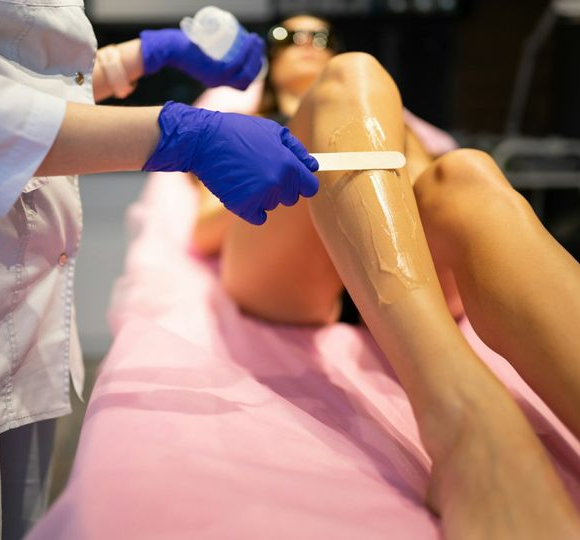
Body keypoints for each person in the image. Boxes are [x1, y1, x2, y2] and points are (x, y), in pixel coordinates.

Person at [0, 3, 321, 539]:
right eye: (294, 37)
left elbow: (20, 82)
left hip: (13, 317)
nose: (309, 48)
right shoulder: (239, 107)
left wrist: (142, 57)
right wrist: (178, 137)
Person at [191, 15, 580, 539]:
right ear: (270, 61)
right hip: (288, 272)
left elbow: (437, 195)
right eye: (288, 38)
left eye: (321, 37)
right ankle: (464, 420)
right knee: (351, 78)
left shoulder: (393, 114)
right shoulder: (235, 117)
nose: (307, 45)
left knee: (469, 174)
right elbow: (203, 232)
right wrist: (281, 170)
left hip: (409, 248)